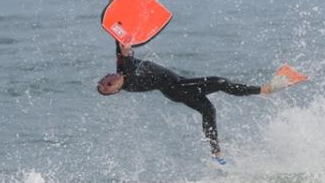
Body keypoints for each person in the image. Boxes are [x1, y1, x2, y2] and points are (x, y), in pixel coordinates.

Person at [97, 42, 275, 165]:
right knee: (220, 83)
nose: (107, 82)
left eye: (104, 82)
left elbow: (118, 42)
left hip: (178, 86)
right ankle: (263, 90)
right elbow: (127, 60)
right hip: (178, 88)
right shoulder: (131, 82)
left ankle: (216, 154)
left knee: (208, 110)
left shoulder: (121, 69)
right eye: (107, 88)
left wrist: (114, 13)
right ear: (116, 91)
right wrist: (127, 52)